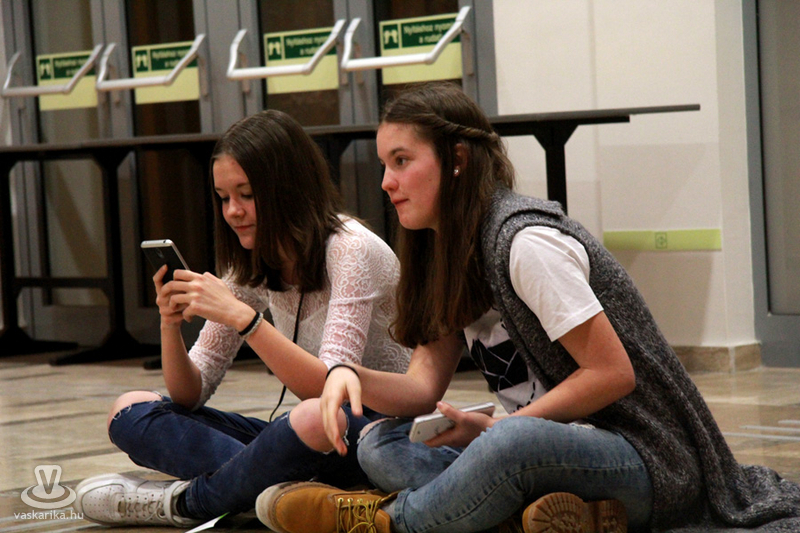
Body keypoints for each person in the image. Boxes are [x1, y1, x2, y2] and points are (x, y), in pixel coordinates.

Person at [255, 83, 800, 533]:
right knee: (380, 442)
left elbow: (612, 374)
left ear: (457, 160)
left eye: (402, 161)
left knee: (513, 441)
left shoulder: (524, 242)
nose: (386, 182)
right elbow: (421, 387)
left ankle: (386, 522)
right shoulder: (446, 252)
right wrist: (347, 374)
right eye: (384, 164)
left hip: (647, 456)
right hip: (543, 447)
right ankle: (536, 515)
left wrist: (498, 433)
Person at [72, 109, 411, 527]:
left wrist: (246, 321)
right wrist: (169, 324)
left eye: (246, 194)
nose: (232, 211)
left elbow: (330, 391)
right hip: (310, 440)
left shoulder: (351, 251)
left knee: (308, 419)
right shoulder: (251, 261)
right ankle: (274, 491)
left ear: (288, 189)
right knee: (130, 410)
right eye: (223, 197)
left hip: (375, 437)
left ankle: (187, 503)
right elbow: (189, 394)